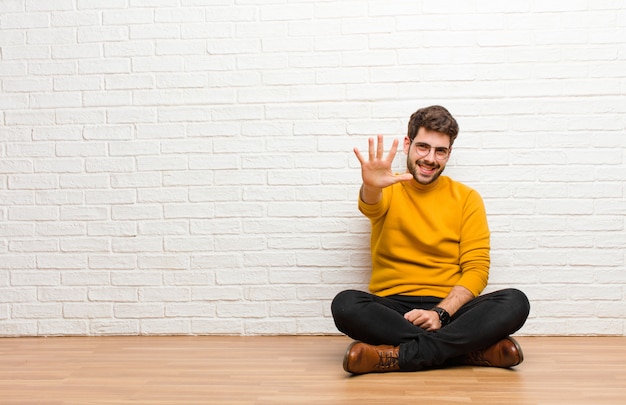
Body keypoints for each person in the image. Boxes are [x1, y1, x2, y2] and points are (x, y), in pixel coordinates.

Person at [331, 105, 530, 375]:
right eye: (423, 147)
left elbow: (477, 268)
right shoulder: (388, 188)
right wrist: (371, 185)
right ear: (407, 144)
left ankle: (393, 356)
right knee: (345, 305)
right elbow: (371, 206)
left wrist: (441, 313)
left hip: (450, 309)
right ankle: (469, 351)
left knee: (515, 302)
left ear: (449, 153)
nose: (430, 158)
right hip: (395, 309)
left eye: (440, 151)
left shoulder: (467, 198)